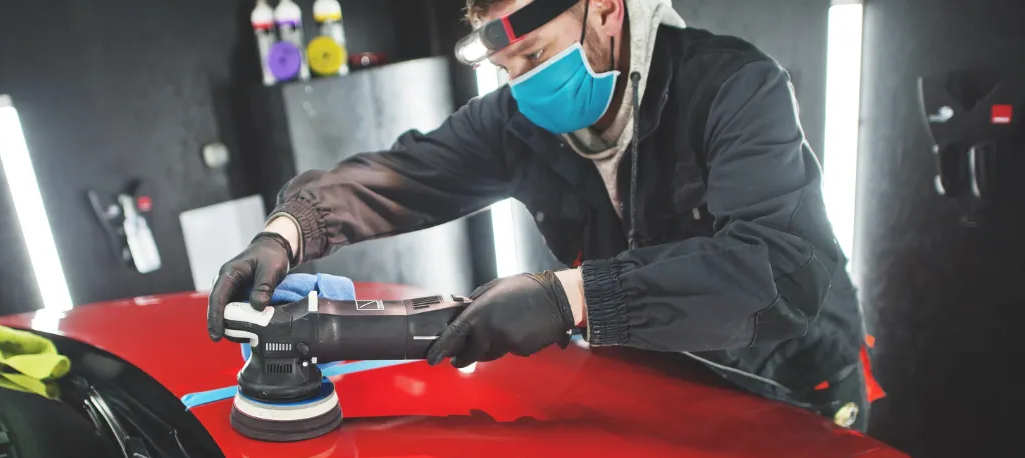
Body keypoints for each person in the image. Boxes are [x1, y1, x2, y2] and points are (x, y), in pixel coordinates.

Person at [208, 0, 881, 431]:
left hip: (791, 387)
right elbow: (403, 175)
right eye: (506, 68)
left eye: (532, 56)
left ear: (609, 12)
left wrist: (571, 297)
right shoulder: (518, 119)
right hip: (666, 396)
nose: (522, 86)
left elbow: (779, 270)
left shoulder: (734, 87)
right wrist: (289, 229)